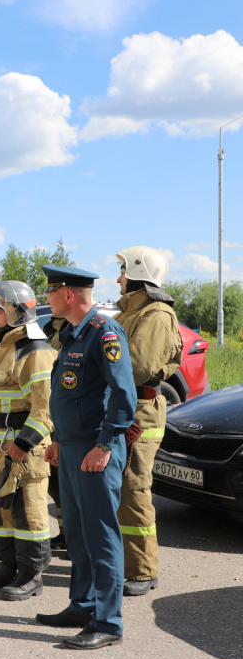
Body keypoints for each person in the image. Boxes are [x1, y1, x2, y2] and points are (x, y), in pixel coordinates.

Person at [35, 266, 136, 650]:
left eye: (51, 292)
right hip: (73, 446)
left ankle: (108, 622)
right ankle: (82, 605)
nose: (47, 299)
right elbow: (71, 394)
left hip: (97, 449)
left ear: (69, 295)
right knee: (76, 533)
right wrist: (59, 438)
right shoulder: (72, 335)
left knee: (101, 536)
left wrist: (105, 444)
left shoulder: (104, 333)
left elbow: (123, 394)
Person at [0, 281, 58, 601]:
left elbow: (45, 409)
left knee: (27, 510)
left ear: (19, 311)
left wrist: (25, 443)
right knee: (0, 507)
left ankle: (32, 574)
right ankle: (8, 566)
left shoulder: (36, 352)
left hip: (22, 449)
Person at [114, 246, 182, 596]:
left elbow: (136, 366)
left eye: (123, 272)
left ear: (139, 273)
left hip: (139, 413)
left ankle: (142, 570)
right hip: (122, 410)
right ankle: (121, 563)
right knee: (118, 490)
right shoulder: (132, 311)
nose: (117, 278)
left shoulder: (156, 314)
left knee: (133, 489)